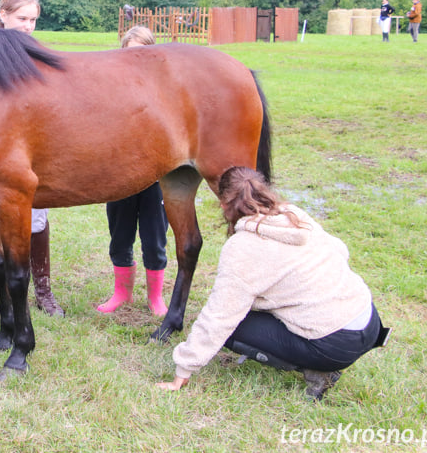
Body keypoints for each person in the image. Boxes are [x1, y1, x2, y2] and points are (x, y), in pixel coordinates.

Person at [157, 167, 387, 401]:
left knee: (231, 327)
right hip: (369, 320)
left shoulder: (242, 247)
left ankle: (318, 370)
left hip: (336, 343)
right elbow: (341, 251)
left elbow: (219, 317)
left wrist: (183, 369)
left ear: (224, 205)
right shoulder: (293, 214)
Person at [0, 0, 64, 317]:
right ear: (3, 14)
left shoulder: (35, 49)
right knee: (0, 218)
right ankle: (1, 288)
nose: (28, 26)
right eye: (22, 18)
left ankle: (44, 288)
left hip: (31, 143)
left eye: (34, 20)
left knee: (38, 216)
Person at [97, 26, 169, 316]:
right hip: (120, 176)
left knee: (155, 239)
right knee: (120, 236)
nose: (135, 58)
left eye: (141, 52)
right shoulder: (110, 90)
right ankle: (121, 293)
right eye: (129, 52)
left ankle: (156, 298)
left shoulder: (166, 90)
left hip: (156, 176)